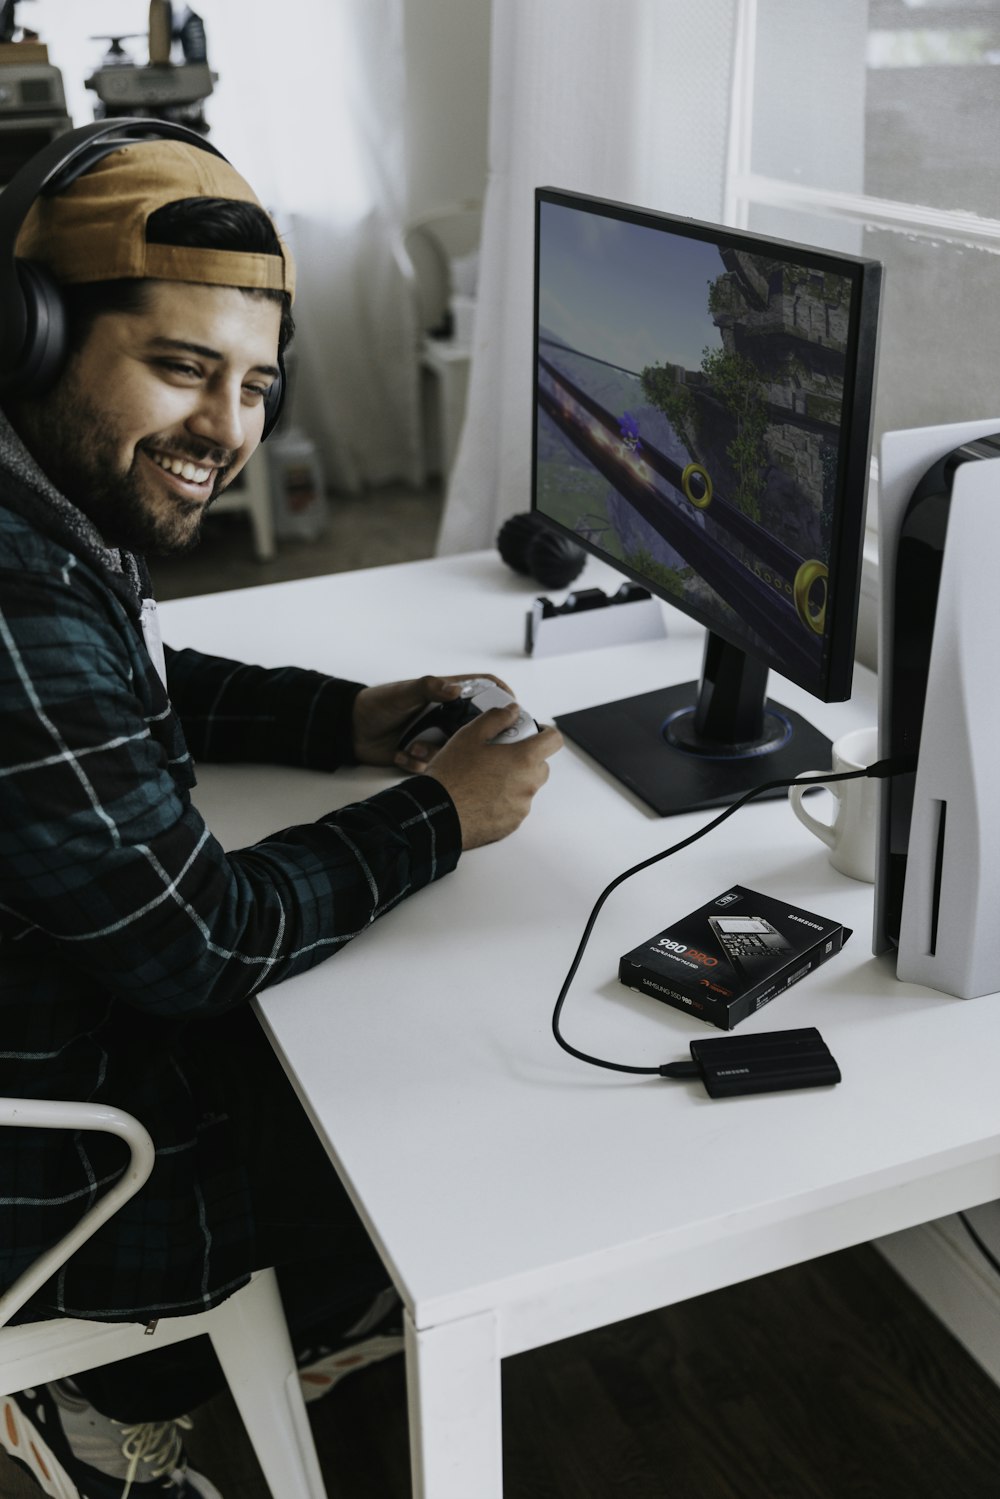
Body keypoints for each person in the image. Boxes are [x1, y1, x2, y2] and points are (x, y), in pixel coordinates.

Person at [0, 127, 562, 1498]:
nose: (229, 432)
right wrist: (441, 812)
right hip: (58, 1170)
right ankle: (121, 1385)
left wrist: (346, 716)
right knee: (453, 1111)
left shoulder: (44, 521)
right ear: (28, 338)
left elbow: (135, 677)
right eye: (182, 369)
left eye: (256, 385)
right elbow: (202, 946)